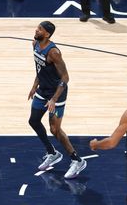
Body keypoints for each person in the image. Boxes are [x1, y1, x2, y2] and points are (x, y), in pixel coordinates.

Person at [28, 20, 87, 178]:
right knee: (33, 121)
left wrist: (54, 99)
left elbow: (65, 77)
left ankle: (77, 160)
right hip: (43, 90)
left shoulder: (53, 52)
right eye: (37, 27)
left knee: (55, 130)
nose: (36, 30)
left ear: (47, 34)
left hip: (57, 93)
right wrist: (34, 86)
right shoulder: (34, 44)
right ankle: (52, 153)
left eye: (40, 29)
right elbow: (40, 69)